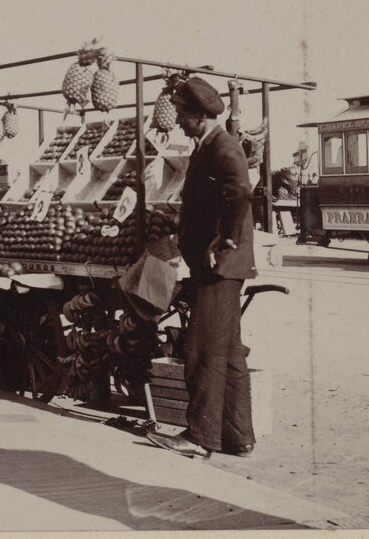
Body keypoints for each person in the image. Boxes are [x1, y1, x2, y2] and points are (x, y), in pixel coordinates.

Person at [147, 77, 257, 460]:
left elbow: (240, 191)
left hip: (220, 265)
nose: (177, 120)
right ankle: (238, 436)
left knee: (202, 349)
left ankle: (199, 438)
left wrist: (223, 238)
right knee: (228, 352)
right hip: (216, 264)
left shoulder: (222, 145)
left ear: (200, 115)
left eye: (181, 113)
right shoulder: (207, 145)